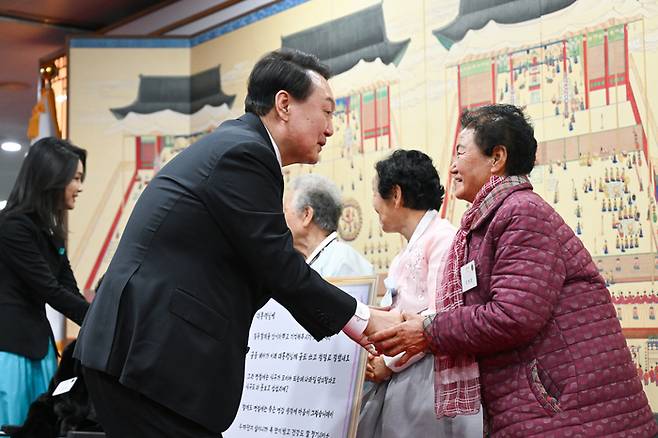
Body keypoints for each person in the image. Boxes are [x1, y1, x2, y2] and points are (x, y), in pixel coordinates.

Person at [73, 49, 399, 438]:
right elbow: (278, 265)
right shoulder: (245, 154)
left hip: (147, 357)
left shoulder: (238, 145)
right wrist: (364, 319)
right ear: (284, 105)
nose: (331, 128)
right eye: (327, 111)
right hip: (150, 358)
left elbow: (262, 268)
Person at [369, 104, 658, 437]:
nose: (451, 167)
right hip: (540, 405)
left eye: (461, 152)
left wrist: (430, 330)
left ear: (497, 158)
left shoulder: (521, 213)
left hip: (564, 409)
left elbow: (513, 316)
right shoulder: (486, 223)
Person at [357, 150, 481, 438]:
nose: (373, 202)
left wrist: (387, 363)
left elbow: (441, 314)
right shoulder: (411, 246)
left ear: (396, 195)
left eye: (376, 192)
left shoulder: (442, 238)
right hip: (406, 370)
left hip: (427, 374)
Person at [0, 137, 89, 427]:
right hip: (10, 353)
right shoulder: (12, 227)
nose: (80, 187)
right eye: (75, 178)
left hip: (40, 350)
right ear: (53, 177)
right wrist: (102, 322)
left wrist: (98, 320)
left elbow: (68, 290)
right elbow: (50, 290)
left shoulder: (50, 233)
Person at [283, 173, 373, 277]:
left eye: (285, 210)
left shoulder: (343, 262)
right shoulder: (312, 261)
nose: (280, 218)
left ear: (306, 215)